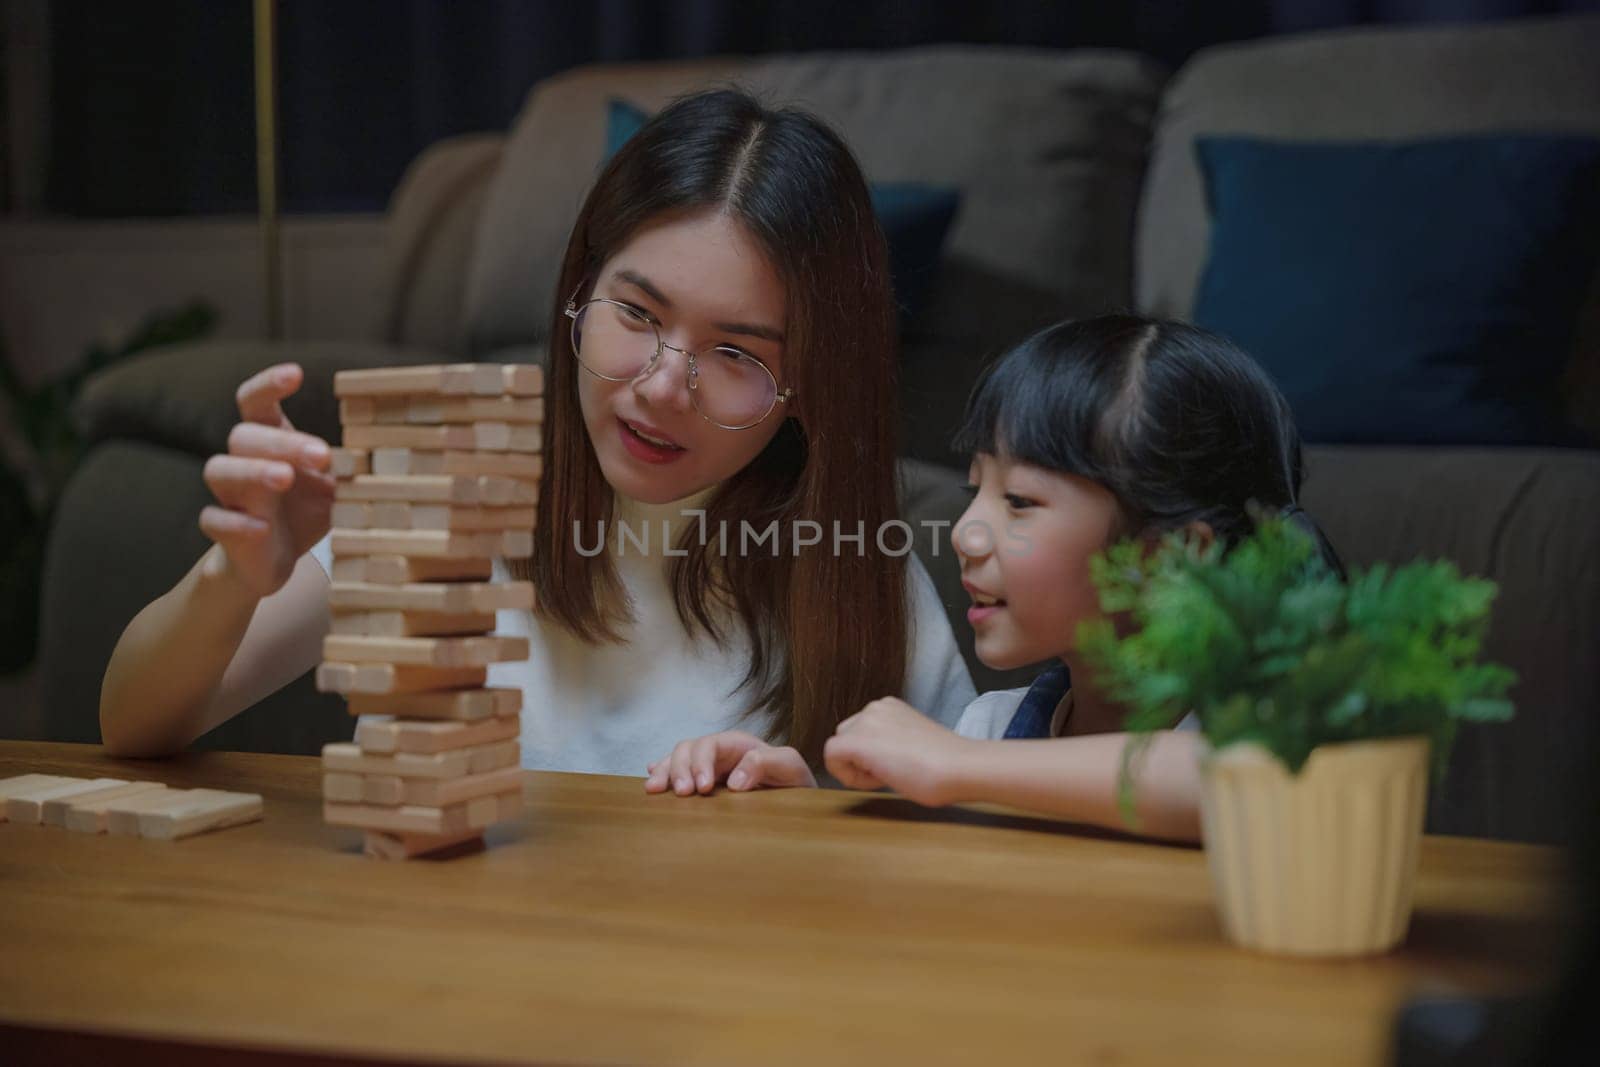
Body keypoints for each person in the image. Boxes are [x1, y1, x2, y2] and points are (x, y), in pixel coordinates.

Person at [99, 89, 975, 771]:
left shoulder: (861, 571)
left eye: (738, 354)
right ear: (579, 294)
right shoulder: (440, 493)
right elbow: (133, 726)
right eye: (636, 312)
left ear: (805, 384)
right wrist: (234, 577)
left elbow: (961, 853)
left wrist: (809, 827)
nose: (664, 385)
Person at [647, 315, 1343, 844]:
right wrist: (803, 810)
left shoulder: (1268, 731)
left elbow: (1239, 779)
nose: (963, 533)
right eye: (976, 488)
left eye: (1019, 501)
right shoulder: (989, 729)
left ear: (1172, 556)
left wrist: (958, 766)